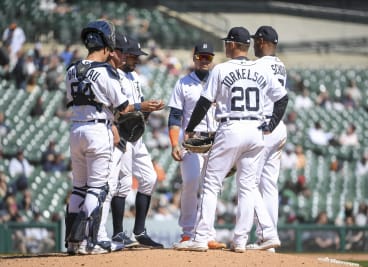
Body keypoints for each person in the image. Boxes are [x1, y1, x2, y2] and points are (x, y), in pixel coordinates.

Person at [174, 26, 288, 253]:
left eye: (228, 42)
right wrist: (271, 124)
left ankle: (200, 237)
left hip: (231, 127)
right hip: (255, 131)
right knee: (247, 186)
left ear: (235, 45)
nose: (225, 45)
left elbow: (205, 102)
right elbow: (283, 98)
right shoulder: (261, 69)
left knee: (210, 183)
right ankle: (241, 241)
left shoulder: (221, 69)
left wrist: (189, 129)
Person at [64, 20, 137, 255]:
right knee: (97, 188)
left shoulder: (72, 69)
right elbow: (123, 106)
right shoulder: (105, 71)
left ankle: (73, 243)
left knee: (78, 188)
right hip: (97, 130)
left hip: (76, 129)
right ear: (106, 45)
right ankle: (91, 242)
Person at [168, 42, 225, 250]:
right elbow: (174, 116)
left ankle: (207, 234)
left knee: (212, 187)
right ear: (194, 58)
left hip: (216, 140)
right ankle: (187, 232)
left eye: (208, 57)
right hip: (192, 140)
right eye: (201, 56)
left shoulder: (219, 84)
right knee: (191, 182)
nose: (204, 60)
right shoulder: (183, 83)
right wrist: (174, 142)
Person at [110, 36, 165, 249]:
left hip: (137, 135)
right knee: (123, 184)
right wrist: (142, 106)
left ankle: (140, 232)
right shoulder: (115, 76)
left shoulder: (134, 76)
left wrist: (149, 109)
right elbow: (119, 109)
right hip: (122, 134)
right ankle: (117, 233)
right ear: (123, 54)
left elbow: (138, 110)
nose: (137, 60)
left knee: (149, 178)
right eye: (133, 55)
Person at [245, 25, 288, 252]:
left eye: (255, 40)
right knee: (269, 186)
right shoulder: (280, 65)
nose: (253, 44)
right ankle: (270, 239)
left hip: (264, 127)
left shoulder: (257, 65)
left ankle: (266, 236)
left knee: (249, 183)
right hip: (279, 126)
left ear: (261, 41)